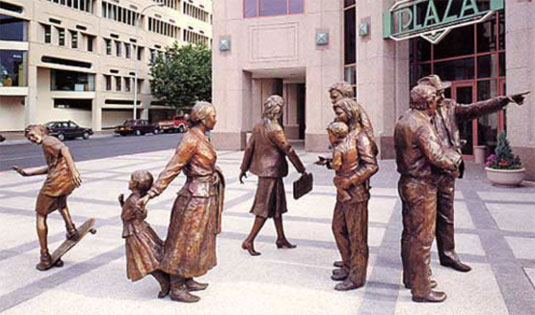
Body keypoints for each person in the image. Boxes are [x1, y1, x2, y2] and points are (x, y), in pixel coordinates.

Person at [417, 74, 529, 272]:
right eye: (438, 92)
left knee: (446, 216)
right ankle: (418, 265)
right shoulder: (419, 114)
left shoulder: (450, 106)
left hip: (448, 169)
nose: (442, 95)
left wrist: (503, 100)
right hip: (428, 173)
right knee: (423, 220)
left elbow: (474, 109)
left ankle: (448, 256)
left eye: (442, 92)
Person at [137, 101, 225, 303]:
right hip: (194, 198)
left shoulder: (203, 136)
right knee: (186, 240)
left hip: (205, 195)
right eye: (213, 116)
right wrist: (152, 193)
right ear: (203, 119)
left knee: (199, 240)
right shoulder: (191, 139)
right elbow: (173, 167)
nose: (215, 119)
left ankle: (187, 276)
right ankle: (176, 286)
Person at [394, 85, 460, 303]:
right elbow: (437, 156)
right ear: (427, 101)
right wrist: (455, 160)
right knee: (423, 239)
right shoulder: (422, 124)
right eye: (434, 99)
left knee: (409, 234)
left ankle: (411, 278)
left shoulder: (404, 119)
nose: (438, 103)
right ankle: (421, 289)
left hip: (407, 182)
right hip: (422, 186)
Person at [318, 98, 378, 291]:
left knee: (357, 235)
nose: (337, 116)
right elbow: (344, 159)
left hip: (356, 194)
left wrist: (350, 180)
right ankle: (347, 264)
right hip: (342, 193)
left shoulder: (360, 137)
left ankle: (357, 276)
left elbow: (371, 165)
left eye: (340, 112)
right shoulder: (345, 136)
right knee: (338, 228)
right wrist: (329, 163)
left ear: (351, 113)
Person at [239, 95, 307, 256]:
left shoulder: (258, 126)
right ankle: (248, 240)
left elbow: (249, 148)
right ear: (278, 110)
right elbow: (288, 149)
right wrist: (301, 169)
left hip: (269, 173)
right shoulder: (275, 128)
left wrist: (243, 168)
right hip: (271, 172)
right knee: (263, 208)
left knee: (277, 207)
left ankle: (281, 238)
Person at [13, 125, 81, 270]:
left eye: (32, 135)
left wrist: (74, 171)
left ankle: (44, 257)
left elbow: (65, 150)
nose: (31, 139)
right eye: (29, 138)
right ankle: (71, 230)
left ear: (41, 132)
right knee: (61, 204)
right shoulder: (49, 143)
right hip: (66, 181)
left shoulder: (47, 141)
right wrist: (28, 174)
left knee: (40, 215)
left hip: (56, 182)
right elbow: (51, 167)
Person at [119, 170, 169, 299]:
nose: (129, 182)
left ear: (136, 184)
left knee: (146, 259)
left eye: (131, 180)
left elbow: (128, 215)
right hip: (141, 230)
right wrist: (123, 204)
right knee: (152, 257)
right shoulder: (135, 198)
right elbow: (135, 213)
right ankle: (166, 280)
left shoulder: (134, 200)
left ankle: (164, 282)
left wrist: (126, 208)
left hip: (136, 233)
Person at [326, 121, 352, 202]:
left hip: (343, 175)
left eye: (330, 135)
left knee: (336, 181)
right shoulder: (349, 145)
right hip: (351, 172)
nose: (329, 138)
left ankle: (345, 194)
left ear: (336, 136)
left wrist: (330, 164)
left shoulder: (338, 149)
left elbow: (337, 165)